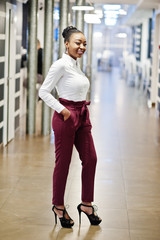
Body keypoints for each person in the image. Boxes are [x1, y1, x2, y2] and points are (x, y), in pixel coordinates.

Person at [39, 26, 102, 228]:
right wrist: (63, 110)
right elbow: (44, 91)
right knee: (63, 163)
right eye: (78, 43)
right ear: (66, 44)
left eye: (84, 43)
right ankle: (58, 205)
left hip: (82, 115)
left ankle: (86, 204)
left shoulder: (75, 65)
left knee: (91, 158)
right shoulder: (60, 65)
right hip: (66, 116)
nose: (82, 46)